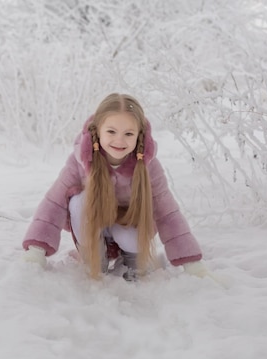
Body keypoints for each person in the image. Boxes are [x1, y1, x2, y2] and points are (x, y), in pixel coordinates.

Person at [22, 93, 211, 281]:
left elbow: (168, 213)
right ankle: (95, 258)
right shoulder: (80, 161)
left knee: (132, 235)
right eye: (111, 131)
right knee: (79, 202)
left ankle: (132, 260)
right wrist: (36, 249)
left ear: (139, 136)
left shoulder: (148, 167)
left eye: (128, 134)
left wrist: (192, 263)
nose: (119, 141)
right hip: (93, 226)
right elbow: (54, 203)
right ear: (97, 131)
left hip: (128, 226)